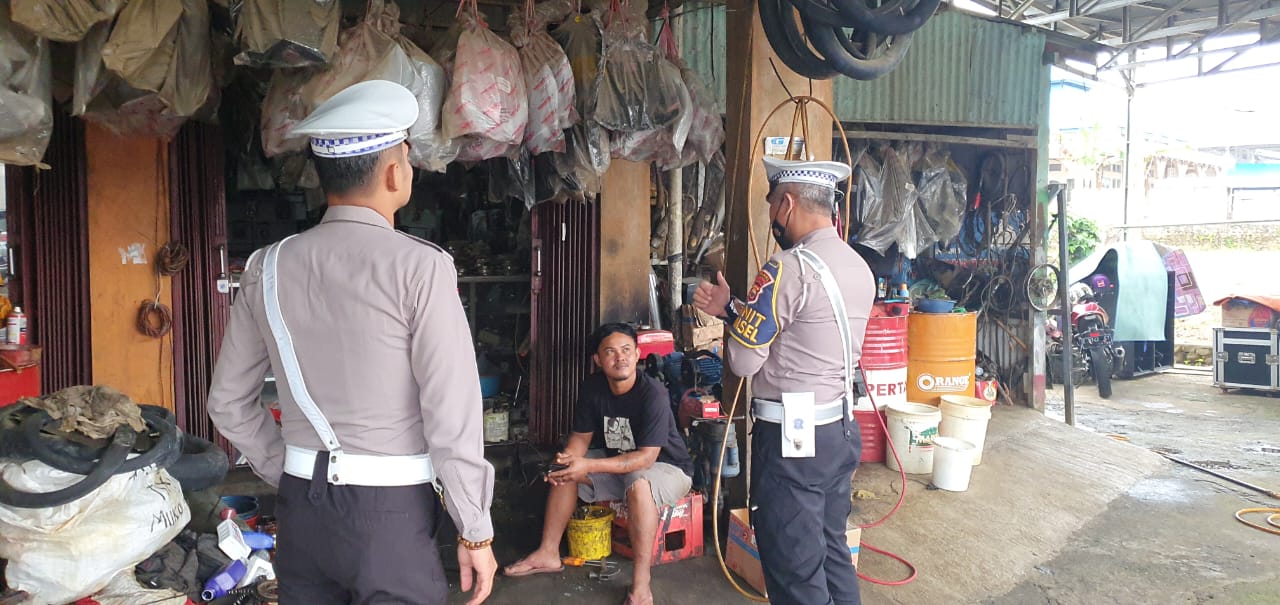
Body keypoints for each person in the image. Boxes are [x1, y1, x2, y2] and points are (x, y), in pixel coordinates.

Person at [205, 80, 497, 605]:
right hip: (390, 516)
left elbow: (227, 402)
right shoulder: (422, 267)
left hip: (301, 511)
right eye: (407, 157)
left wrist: (288, 470)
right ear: (393, 172)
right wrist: (474, 528)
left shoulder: (266, 266)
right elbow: (451, 415)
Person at [693, 156, 875, 605]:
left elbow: (744, 361)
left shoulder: (786, 268)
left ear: (788, 205)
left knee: (795, 568)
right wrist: (732, 308)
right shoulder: (858, 266)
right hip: (839, 431)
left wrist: (733, 325)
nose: (772, 214)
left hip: (793, 439)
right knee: (832, 552)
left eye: (772, 203)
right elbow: (801, 332)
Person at [503, 323, 694, 605]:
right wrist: (567, 460)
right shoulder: (592, 387)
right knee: (566, 471)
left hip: (668, 469)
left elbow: (646, 458)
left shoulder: (652, 393)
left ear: (637, 354)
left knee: (639, 482)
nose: (620, 358)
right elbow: (581, 437)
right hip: (621, 466)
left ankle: (641, 584)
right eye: (610, 352)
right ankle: (548, 553)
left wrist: (588, 466)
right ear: (598, 359)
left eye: (626, 350)